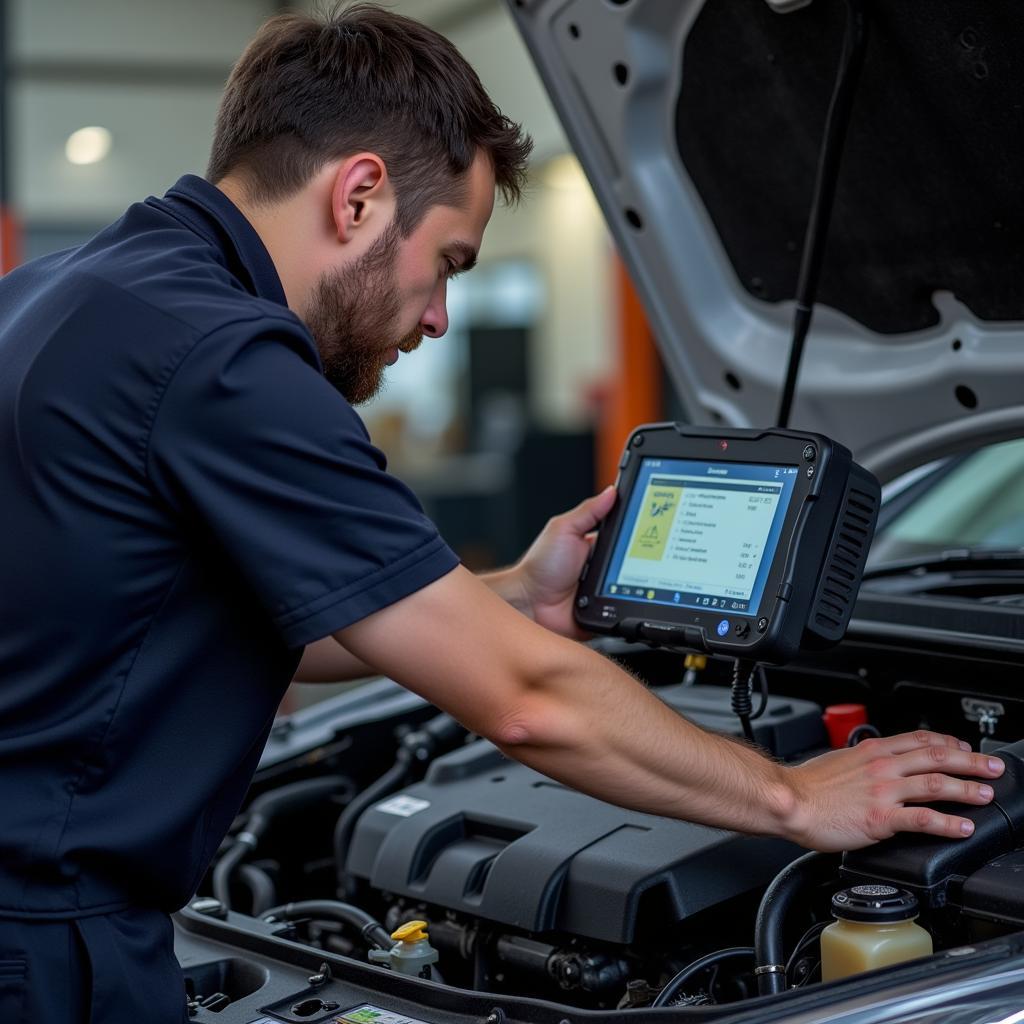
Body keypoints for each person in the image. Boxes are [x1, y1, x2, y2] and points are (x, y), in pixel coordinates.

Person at [0, 5, 1003, 1021]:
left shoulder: (65, 293)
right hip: (42, 944)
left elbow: (230, 625)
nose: (438, 316)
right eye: (447, 262)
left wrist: (514, 595)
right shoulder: (224, 360)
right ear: (358, 195)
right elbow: (526, 701)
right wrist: (795, 795)